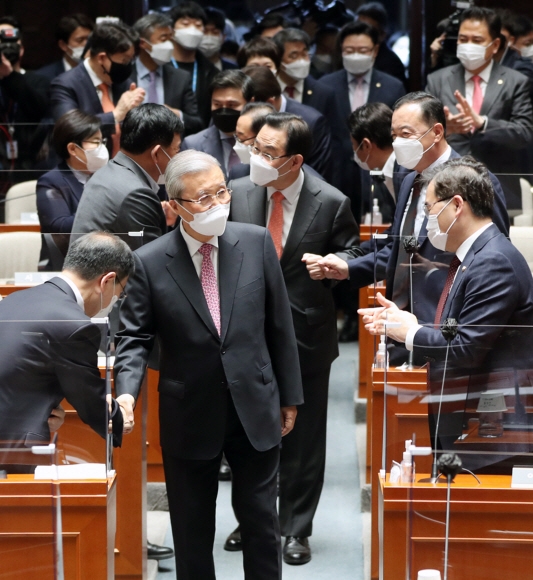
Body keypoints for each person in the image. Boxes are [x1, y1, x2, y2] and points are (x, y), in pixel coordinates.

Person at [113, 149, 303, 580]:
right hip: (190, 411)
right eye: (202, 198)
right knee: (192, 529)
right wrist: (126, 392)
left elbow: (280, 325)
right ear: (175, 206)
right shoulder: (148, 262)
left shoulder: (255, 243)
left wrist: (290, 396)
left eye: (222, 192)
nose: (216, 203)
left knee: (260, 522)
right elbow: (133, 337)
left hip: (255, 402)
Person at [225, 112, 363, 565]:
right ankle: (252, 521)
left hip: (306, 332)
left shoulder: (331, 201)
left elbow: (353, 255)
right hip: (245, 333)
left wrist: (335, 261)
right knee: (248, 433)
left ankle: (296, 528)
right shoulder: (238, 191)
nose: (256, 158)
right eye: (255, 147)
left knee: (303, 438)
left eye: (268, 153)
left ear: (295, 160)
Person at [358, 157, 533, 470]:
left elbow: (466, 348)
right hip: (468, 417)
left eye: (429, 208)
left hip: (493, 431)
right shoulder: (473, 258)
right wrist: (411, 322)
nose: (427, 220)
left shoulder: (494, 262)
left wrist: (408, 334)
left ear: (456, 205)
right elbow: (458, 330)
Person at [313, 92, 510, 339]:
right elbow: (399, 246)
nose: (397, 143)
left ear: (437, 132)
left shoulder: (478, 181)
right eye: (393, 135)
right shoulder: (408, 181)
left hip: (451, 326)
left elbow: (495, 256)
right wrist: (349, 267)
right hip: (404, 320)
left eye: (405, 135)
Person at [0, 232, 133, 455]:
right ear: (107, 280)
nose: (116, 301)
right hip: (17, 454)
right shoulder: (75, 325)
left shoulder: (14, 299)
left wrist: (42, 409)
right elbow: (90, 401)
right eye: (120, 293)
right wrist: (119, 415)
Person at [425, 7, 533, 210]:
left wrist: (483, 123)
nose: (468, 45)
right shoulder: (437, 80)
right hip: (446, 188)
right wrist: (447, 129)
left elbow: (525, 133)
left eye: (476, 40)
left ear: (495, 45)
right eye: (463, 39)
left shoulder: (515, 81)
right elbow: (422, 133)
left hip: (499, 188)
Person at [72, 103, 183, 250]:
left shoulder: (106, 172)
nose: (177, 157)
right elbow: (152, 264)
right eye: (176, 149)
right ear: (156, 154)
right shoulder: (137, 194)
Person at [317, 20, 405, 203]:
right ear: (341, 50)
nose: (356, 55)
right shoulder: (324, 86)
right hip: (336, 172)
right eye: (349, 51)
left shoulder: (393, 87)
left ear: (375, 51)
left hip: (379, 174)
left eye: (363, 51)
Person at [50, 21, 146, 157]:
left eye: (130, 60)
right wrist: (115, 115)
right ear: (102, 58)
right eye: (124, 60)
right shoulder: (65, 84)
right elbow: (69, 130)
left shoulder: (124, 83)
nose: (127, 66)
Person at [37, 110, 108, 268]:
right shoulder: (50, 182)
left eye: (103, 141)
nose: (102, 148)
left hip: (104, 263)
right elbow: (60, 227)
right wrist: (108, 209)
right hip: (64, 266)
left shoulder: (107, 176)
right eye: (96, 142)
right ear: (73, 149)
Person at [243, 65, 332, 181]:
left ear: (269, 103)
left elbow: (316, 177)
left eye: (249, 108)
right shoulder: (242, 118)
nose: (241, 112)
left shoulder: (311, 123)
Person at [132, 13, 203, 136]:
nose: (170, 46)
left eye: (171, 39)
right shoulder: (124, 75)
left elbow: (197, 123)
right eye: (164, 39)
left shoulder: (181, 78)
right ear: (143, 43)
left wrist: (176, 115)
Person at [0, 17, 50, 187]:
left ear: (21, 49)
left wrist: (10, 76)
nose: (6, 48)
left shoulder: (38, 81)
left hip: (30, 166)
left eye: (11, 43)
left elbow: (38, 109)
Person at [181, 69, 253, 177]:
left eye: (232, 105)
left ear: (250, 103)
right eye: (217, 104)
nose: (223, 111)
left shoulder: (263, 142)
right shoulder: (193, 145)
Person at [169, 1, 219, 126]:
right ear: (171, 29)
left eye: (197, 25)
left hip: (201, 138)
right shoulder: (160, 66)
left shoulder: (211, 71)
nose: (192, 30)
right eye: (185, 24)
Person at [355, 2, 407, 86]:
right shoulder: (349, 54)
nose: (361, 35)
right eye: (357, 29)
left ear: (382, 35)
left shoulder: (391, 63)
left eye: (367, 31)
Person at [38, 13, 94, 81]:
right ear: (63, 45)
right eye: (80, 40)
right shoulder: (44, 76)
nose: (87, 44)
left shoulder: (101, 73)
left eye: (90, 39)